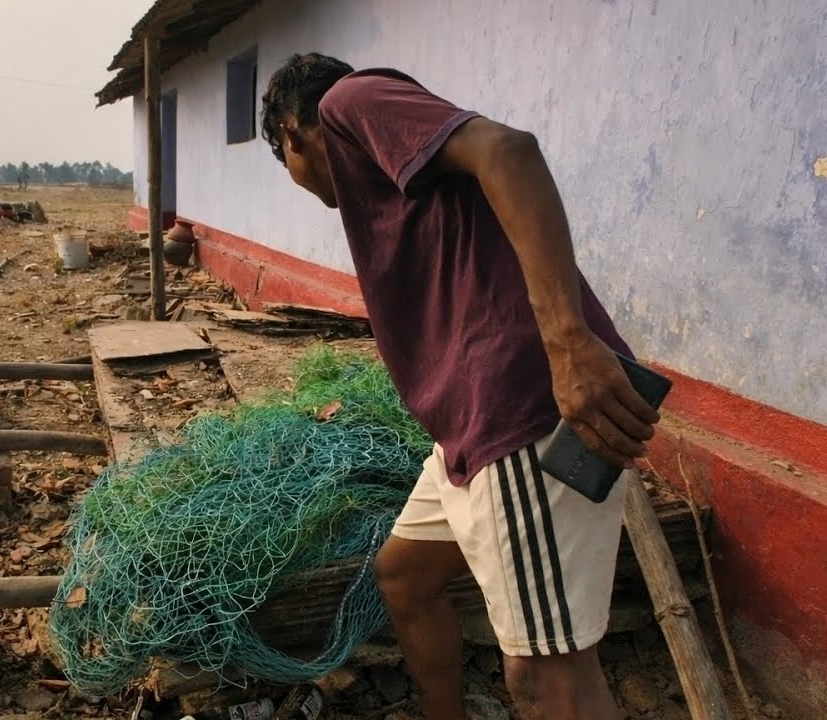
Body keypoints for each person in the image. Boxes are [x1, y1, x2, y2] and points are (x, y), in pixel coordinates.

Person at [260, 53, 662, 720]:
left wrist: (567, 343)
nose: (299, 179)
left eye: (287, 164)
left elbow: (509, 151)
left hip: (520, 410)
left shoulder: (348, 103)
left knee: (545, 676)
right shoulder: (383, 169)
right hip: (468, 429)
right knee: (405, 577)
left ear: (291, 137)